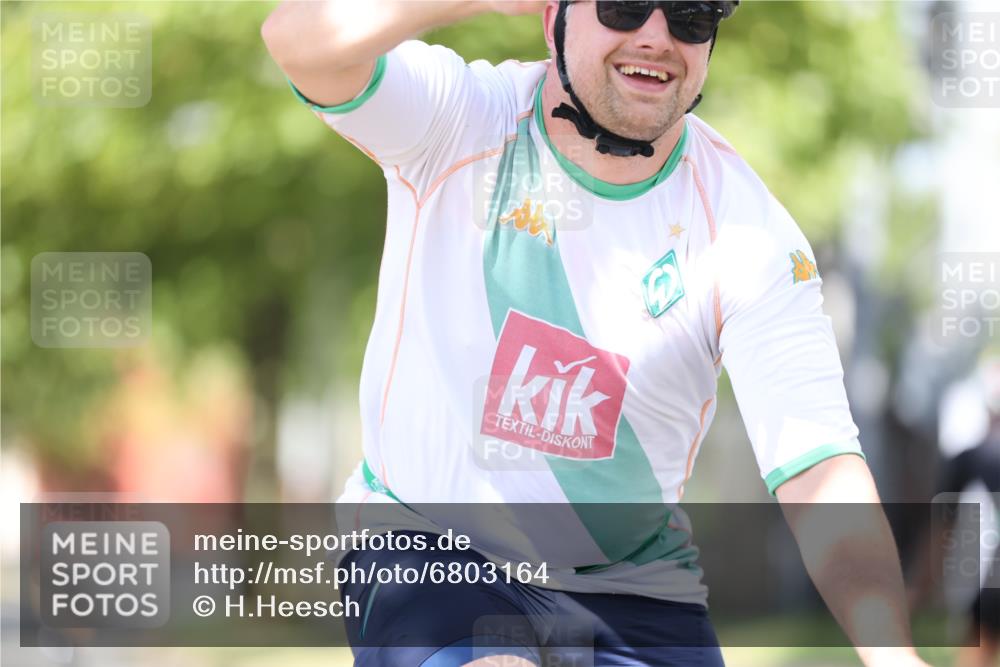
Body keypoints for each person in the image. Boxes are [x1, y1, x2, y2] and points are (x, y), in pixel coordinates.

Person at [261, 2, 932, 665]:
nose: (656, 35)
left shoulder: (745, 232)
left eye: (691, 15)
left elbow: (818, 468)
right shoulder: (460, 118)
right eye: (624, 4)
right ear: (549, 14)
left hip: (629, 585)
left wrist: (892, 654)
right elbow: (296, 38)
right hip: (430, 545)